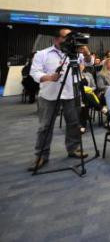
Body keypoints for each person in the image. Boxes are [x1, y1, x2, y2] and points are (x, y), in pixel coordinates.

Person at [28, 28, 87, 171]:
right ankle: (41, 155)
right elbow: (34, 72)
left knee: (73, 124)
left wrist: (86, 55)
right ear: (56, 39)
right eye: (66, 37)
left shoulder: (75, 54)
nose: (70, 40)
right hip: (49, 95)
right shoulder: (42, 54)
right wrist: (49, 77)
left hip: (71, 94)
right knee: (45, 127)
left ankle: (73, 149)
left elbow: (87, 63)